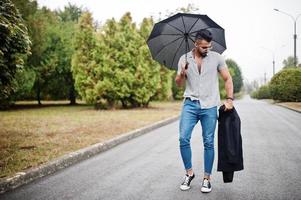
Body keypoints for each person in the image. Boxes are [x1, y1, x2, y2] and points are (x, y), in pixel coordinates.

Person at [175, 29, 234, 193]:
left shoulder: (217, 58)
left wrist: (230, 99)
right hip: (190, 104)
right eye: (204, 47)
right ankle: (189, 173)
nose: (207, 49)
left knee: (208, 142)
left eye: (209, 46)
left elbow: (227, 78)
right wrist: (182, 72)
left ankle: (207, 178)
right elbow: (179, 83)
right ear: (195, 44)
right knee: (183, 138)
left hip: (209, 106)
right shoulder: (184, 59)